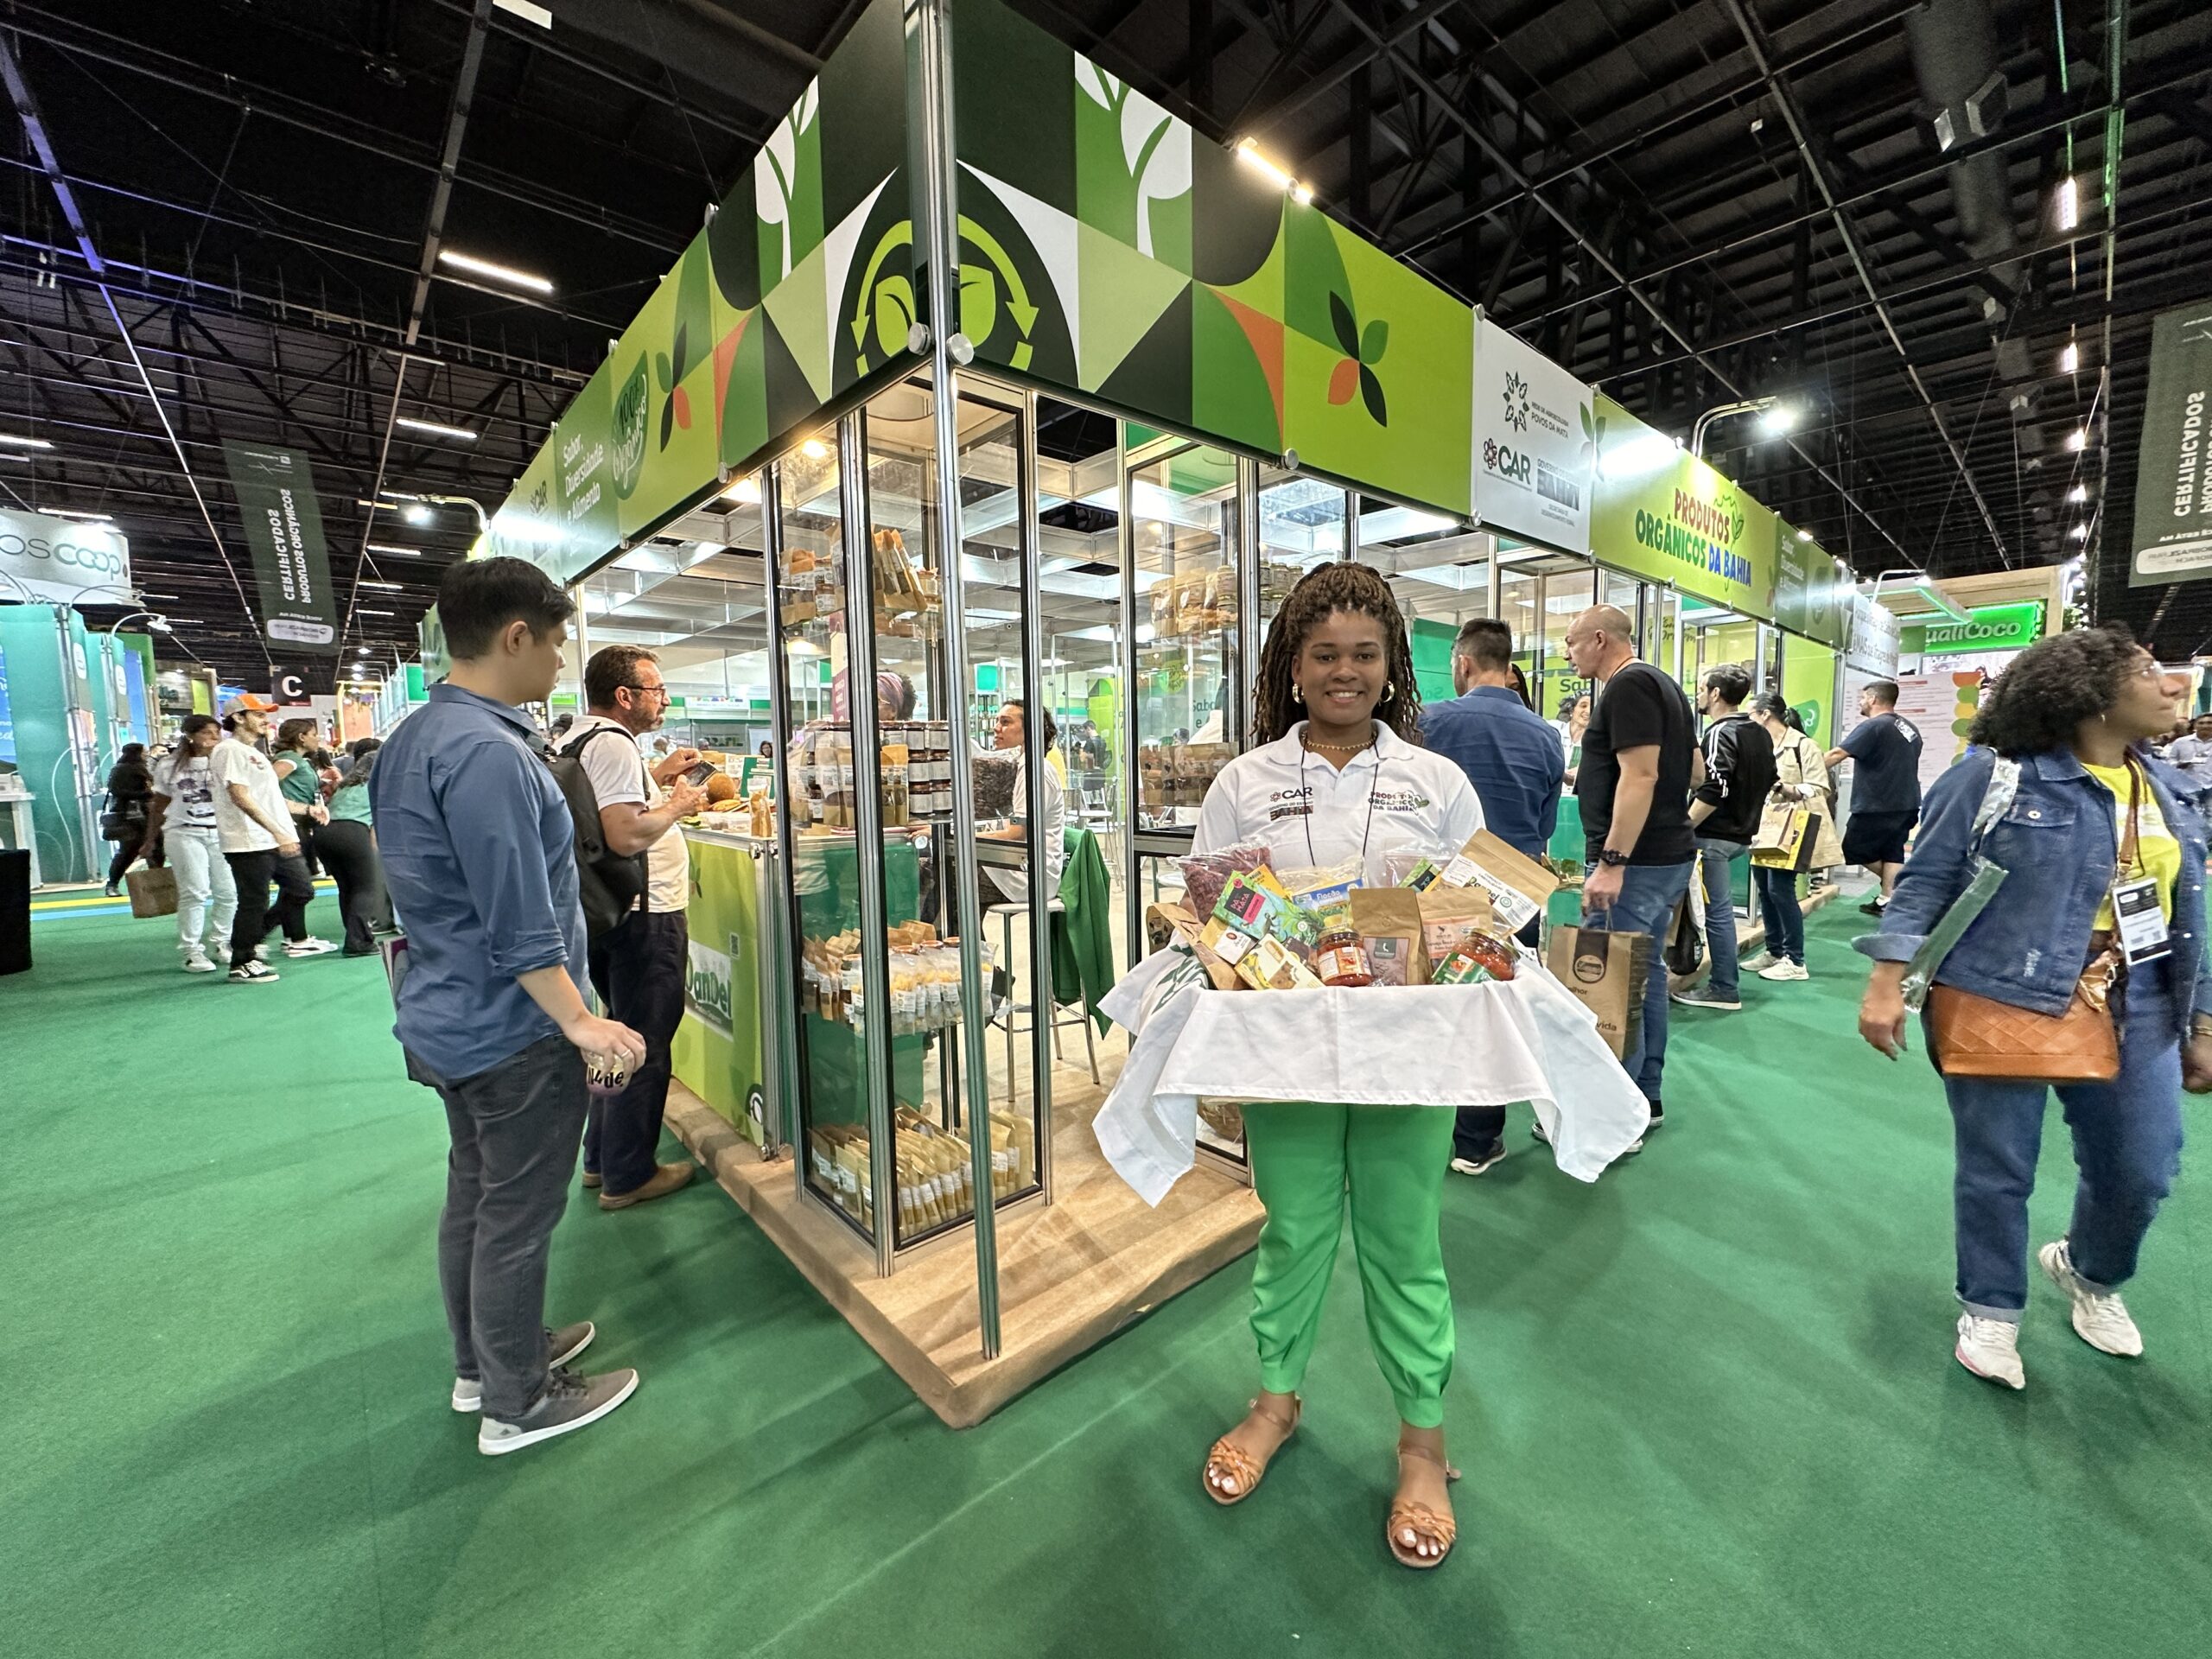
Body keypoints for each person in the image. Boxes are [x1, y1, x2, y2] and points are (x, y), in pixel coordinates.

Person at [1192, 562, 1482, 1570]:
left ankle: (1421, 1443)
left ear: (1392, 665)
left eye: (1364, 654)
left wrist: (1442, 939)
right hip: (1289, 1061)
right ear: (1293, 665)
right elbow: (1215, 922)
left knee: (1405, 1245)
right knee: (1293, 1235)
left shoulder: (1436, 783)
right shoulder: (1244, 783)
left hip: (1409, 1063)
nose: (1344, 672)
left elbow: (1470, 921)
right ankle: (1275, 1402)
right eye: (1324, 655)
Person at [1856, 627, 2210, 1391]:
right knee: (1998, 1169)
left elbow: (2191, 914)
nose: (2174, 684)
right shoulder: (1993, 776)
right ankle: (1991, 1307)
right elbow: (1926, 880)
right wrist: (1886, 982)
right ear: (2090, 695)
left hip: (2141, 999)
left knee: (2142, 1168)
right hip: (2000, 988)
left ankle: (2089, 1271)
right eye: (2148, 672)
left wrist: (2203, 1019)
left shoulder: (2171, 789)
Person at [371, 556, 647, 1456]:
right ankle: (518, 1400)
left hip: (446, 1011)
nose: (563, 659)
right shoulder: (489, 754)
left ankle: (486, 1364)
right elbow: (519, 918)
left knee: (478, 1194)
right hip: (508, 1029)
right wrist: (581, 1019)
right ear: (515, 636)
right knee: (518, 1217)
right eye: (557, 640)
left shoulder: (418, 736)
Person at [557, 644, 709, 1211]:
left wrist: (656, 778)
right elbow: (624, 835)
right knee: (645, 1041)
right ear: (625, 696)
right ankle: (629, 1174)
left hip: (610, 913)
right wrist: (678, 805)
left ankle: (600, 1156)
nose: (664, 700)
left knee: (615, 1038)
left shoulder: (581, 736)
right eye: (656, 690)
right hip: (647, 913)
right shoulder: (616, 743)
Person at [1419, 617, 1563, 1175]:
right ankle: (1478, 1140)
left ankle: (1422, 1124)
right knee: (1498, 1011)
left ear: (1463, 663)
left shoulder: (1429, 721)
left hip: (1445, 888)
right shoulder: (1546, 735)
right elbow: (1545, 824)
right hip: (1517, 890)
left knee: (1433, 1004)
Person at [1563, 604, 1697, 1143]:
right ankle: (1645, 1097)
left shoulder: (1628, 686)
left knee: (1613, 981)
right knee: (1643, 974)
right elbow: (1693, 770)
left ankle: (1614, 1116)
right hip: (1662, 856)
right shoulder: (1665, 685)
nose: (1568, 654)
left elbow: (1640, 776)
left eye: (1572, 642)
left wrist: (1612, 862)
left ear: (1599, 639)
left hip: (1636, 863)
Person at [1673, 665, 1777, 1014]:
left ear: (1715, 693)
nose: (1698, 694)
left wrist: (1684, 827)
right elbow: (1771, 778)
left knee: (1716, 913)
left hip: (1713, 836)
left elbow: (1714, 785)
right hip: (1741, 836)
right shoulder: (1759, 732)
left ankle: (1723, 987)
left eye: (1702, 688)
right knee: (1718, 911)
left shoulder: (1720, 732)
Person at [212, 698, 333, 981]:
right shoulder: (229, 750)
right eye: (258, 715)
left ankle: (247, 940)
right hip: (248, 840)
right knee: (254, 900)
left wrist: (308, 810)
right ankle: (242, 960)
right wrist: (276, 831)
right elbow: (240, 796)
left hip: (273, 837)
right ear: (238, 718)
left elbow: (269, 798)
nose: (265, 720)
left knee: (301, 890)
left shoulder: (253, 753)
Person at [1742, 695, 1840, 982]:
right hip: (1764, 826)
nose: (1748, 720)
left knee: (1780, 889)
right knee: (1764, 887)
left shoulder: (1802, 745)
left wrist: (1788, 789)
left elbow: (1820, 786)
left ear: (1765, 714)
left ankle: (1795, 960)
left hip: (1791, 828)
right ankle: (1774, 951)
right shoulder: (1759, 745)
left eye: (1750, 714)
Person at [143, 716, 236, 971]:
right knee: (195, 891)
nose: (214, 737)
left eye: (217, 732)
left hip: (221, 832)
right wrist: (150, 839)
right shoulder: (169, 765)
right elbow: (159, 804)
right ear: (190, 735)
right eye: (207, 733)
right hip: (184, 831)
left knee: (228, 891)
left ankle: (223, 941)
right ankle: (191, 950)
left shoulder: (224, 760)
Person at [1827, 680, 1923, 917]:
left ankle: (1907, 887)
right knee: (1892, 851)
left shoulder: (1873, 726)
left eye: (1863, 697)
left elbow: (1838, 754)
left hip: (1877, 805)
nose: (1860, 702)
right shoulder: (1908, 727)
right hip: (1907, 803)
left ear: (1873, 699)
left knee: (1853, 849)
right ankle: (1888, 899)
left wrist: (1806, 771)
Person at [976, 699, 1066, 912]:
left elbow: (1017, 832)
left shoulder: (1034, 771)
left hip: (1030, 877)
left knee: (948, 878)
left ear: (1029, 730)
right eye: (997, 721)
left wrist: (961, 837)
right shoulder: (1020, 766)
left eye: (1006, 722)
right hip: (1018, 865)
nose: (996, 728)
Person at [316, 741, 391, 957]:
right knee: (367, 887)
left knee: (347, 888)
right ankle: (359, 942)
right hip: (353, 832)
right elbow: (375, 823)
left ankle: (354, 935)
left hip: (324, 833)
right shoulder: (379, 787)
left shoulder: (346, 787)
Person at [273, 719, 328, 874]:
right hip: (293, 822)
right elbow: (265, 787)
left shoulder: (299, 760)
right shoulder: (289, 759)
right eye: (314, 735)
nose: (318, 739)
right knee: (299, 876)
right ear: (301, 737)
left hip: (303, 822)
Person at [100, 743, 156, 895]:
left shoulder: (121, 768)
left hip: (138, 814)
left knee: (131, 850)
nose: (146, 754)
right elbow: (118, 791)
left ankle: (114, 884)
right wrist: (146, 794)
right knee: (132, 850)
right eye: (144, 752)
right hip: (133, 816)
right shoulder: (129, 769)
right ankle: (154, 883)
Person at [2160, 711, 2212, 780]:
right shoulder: (2181, 742)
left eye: (2209, 723)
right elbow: (2170, 759)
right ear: (2195, 726)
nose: (2205, 726)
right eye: (2201, 723)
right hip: (2186, 783)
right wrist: (2177, 764)